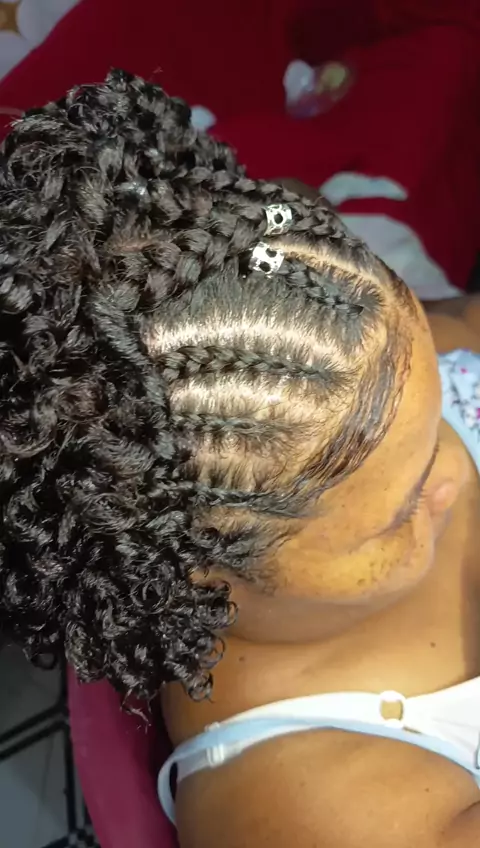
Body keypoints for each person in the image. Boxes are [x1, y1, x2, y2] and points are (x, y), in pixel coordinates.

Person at [0, 70, 479, 847]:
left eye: (440, 418)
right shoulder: (313, 810)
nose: (453, 472)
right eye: (397, 517)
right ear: (196, 582)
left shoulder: (337, 366)